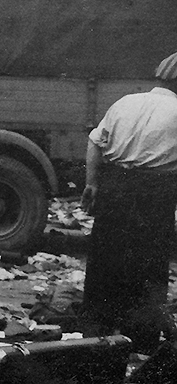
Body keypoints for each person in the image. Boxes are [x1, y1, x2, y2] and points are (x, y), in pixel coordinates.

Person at [79, 51, 177, 354]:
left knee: (104, 264)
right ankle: (140, 343)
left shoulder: (125, 102)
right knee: (148, 269)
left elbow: (95, 140)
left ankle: (95, 339)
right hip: (154, 194)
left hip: (115, 189)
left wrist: (92, 183)